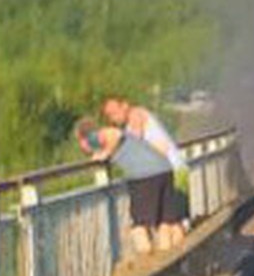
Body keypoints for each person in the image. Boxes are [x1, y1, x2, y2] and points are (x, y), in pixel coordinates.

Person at [75, 118, 184, 255]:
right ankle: (173, 258)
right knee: (166, 221)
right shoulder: (118, 138)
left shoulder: (95, 137)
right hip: (164, 169)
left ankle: (146, 261)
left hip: (144, 174)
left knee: (139, 226)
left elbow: (114, 135)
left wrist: (105, 153)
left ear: (82, 138)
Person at [102, 95, 190, 239]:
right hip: (176, 168)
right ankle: (181, 254)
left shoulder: (136, 115)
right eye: (109, 116)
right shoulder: (136, 117)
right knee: (173, 221)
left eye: (114, 113)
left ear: (125, 105)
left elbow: (134, 143)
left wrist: (108, 152)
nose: (113, 119)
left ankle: (181, 255)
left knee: (172, 222)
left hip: (172, 169)